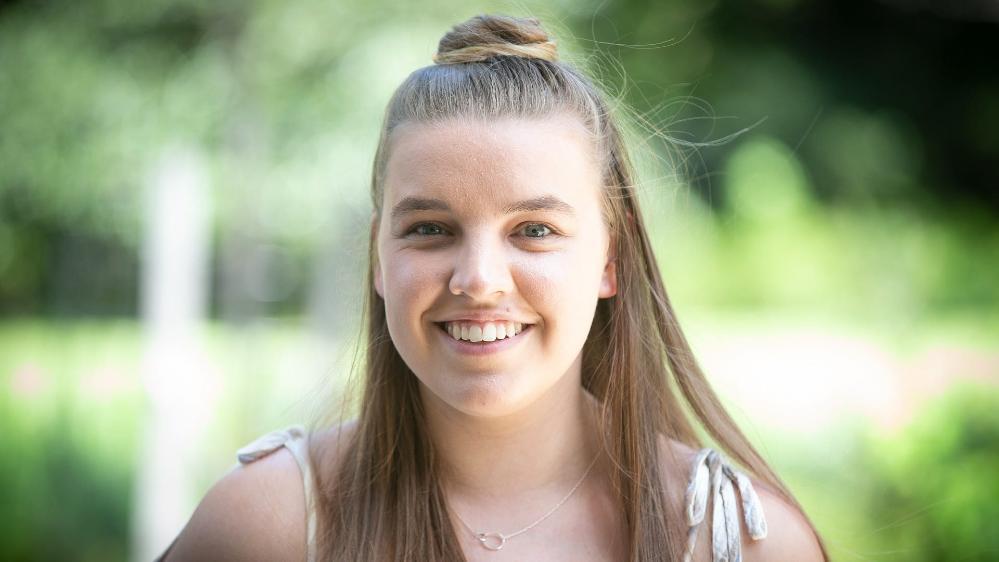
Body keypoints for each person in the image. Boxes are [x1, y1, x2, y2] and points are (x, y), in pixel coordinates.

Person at [161, 14, 827, 562]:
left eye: (533, 229)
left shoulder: (737, 542)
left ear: (609, 258)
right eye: (429, 229)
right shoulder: (268, 525)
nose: (478, 279)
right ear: (377, 259)